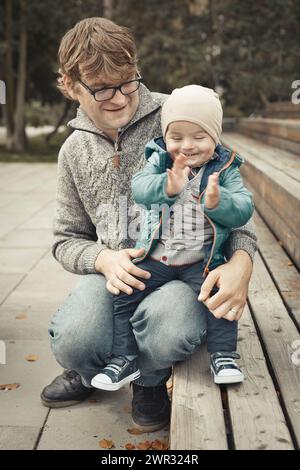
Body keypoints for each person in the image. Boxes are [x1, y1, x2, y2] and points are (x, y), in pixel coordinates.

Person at [40, 17, 257, 432]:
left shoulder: (179, 118)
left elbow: (234, 199)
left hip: (184, 270)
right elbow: (66, 240)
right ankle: (92, 370)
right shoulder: (74, 151)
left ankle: (151, 381)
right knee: (74, 339)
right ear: (69, 84)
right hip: (120, 276)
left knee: (166, 329)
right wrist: (102, 258)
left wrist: (241, 264)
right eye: (101, 88)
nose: (120, 98)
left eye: (127, 82)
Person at [91, 85, 254, 391]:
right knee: (124, 295)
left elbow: (244, 209)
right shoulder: (160, 160)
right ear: (166, 137)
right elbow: (140, 189)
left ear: (215, 137)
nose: (186, 146)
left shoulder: (226, 168)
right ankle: (123, 359)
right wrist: (167, 185)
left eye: (199, 137)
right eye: (176, 137)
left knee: (217, 298)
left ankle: (224, 355)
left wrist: (219, 204)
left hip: (200, 259)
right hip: (158, 256)